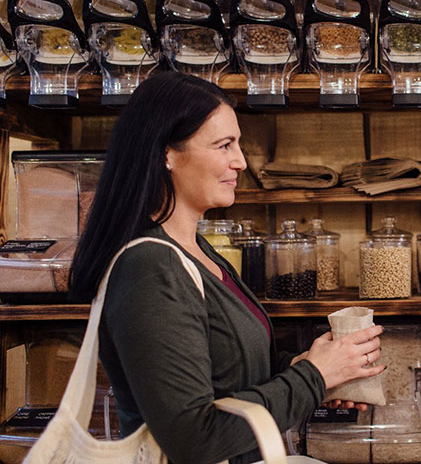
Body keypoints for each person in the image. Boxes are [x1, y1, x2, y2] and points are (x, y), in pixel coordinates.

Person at [69, 71, 385, 464]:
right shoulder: (149, 268)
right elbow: (193, 438)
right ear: (166, 153)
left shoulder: (196, 251)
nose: (240, 161)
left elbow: (232, 377)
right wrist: (313, 377)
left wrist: (312, 368)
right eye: (224, 145)